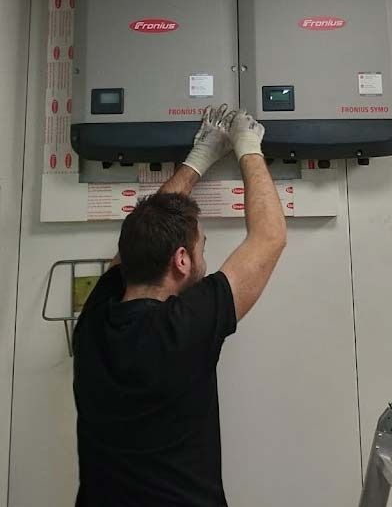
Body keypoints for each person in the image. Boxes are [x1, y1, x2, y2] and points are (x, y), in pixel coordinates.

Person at [73, 105, 287, 507]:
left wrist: (199, 158)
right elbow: (269, 238)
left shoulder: (93, 321)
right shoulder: (182, 328)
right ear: (182, 261)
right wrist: (247, 146)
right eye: (202, 247)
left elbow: (142, 233)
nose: (204, 256)